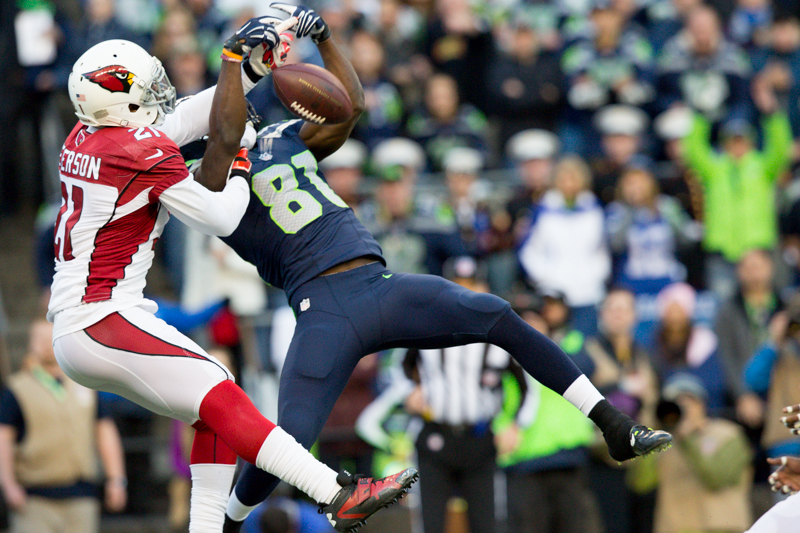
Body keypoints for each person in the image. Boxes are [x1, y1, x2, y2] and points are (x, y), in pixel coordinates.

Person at [186, 6, 671, 532]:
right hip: (321, 305)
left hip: (378, 283)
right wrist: (233, 58)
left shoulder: (282, 139)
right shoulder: (207, 176)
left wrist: (325, 38)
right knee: (291, 438)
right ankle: (229, 523)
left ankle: (613, 424)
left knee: (495, 313)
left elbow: (349, 108)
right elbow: (226, 129)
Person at [46, 16, 416, 533]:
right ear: (120, 102)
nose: (159, 95)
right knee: (220, 389)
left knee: (210, 409)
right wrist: (241, 156)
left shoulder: (91, 133)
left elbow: (186, 120)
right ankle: (334, 492)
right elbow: (220, 216)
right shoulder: (135, 149)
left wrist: (250, 67)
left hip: (90, 319)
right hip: (101, 317)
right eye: (145, 88)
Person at [400, 258, 527, 533]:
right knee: (430, 523)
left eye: (471, 286)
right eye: (457, 286)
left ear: (484, 288)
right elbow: (404, 368)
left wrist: (515, 424)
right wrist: (414, 391)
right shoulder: (425, 330)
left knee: (488, 523)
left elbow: (525, 385)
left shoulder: (498, 337)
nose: (464, 294)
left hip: (480, 440)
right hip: (436, 437)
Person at [0, 320, 126, 533]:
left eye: (51, 337)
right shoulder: (17, 389)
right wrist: (8, 485)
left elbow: (105, 432)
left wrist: (116, 479)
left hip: (81, 495)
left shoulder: (86, 383)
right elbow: (4, 439)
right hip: (34, 498)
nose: (46, 344)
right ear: (31, 344)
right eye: (39, 338)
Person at [683, 94, 791, 300]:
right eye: (732, 140)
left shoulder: (762, 167)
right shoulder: (715, 169)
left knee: (759, 302)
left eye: (742, 140)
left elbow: (781, 150)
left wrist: (772, 116)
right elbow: (693, 151)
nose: (737, 145)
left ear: (750, 142)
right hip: (722, 251)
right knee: (722, 303)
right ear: (725, 143)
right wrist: (701, 117)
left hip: (757, 249)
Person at [517, 156, 611, 337]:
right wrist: (545, 278)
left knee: (585, 345)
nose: (569, 183)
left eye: (574, 177)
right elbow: (528, 251)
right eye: (564, 178)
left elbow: (601, 249)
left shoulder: (594, 208)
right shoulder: (543, 209)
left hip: (588, 292)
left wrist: (596, 275)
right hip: (554, 294)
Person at [654, 373, 753, 533]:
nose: (683, 411)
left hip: (721, 527)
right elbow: (640, 484)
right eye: (676, 406)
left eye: (688, 403)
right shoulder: (662, 442)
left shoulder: (727, 434)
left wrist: (688, 439)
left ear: (702, 404)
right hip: (676, 527)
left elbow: (717, 477)